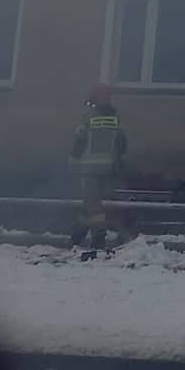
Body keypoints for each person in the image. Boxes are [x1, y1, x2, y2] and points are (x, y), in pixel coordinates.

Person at [70, 82, 128, 253]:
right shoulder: (115, 119)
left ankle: (98, 237)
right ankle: (78, 234)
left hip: (89, 169)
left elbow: (79, 140)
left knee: (93, 207)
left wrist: (73, 161)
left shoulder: (88, 118)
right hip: (108, 169)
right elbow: (122, 143)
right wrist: (118, 161)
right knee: (90, 204)